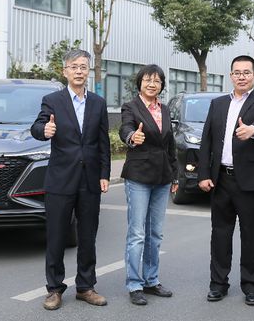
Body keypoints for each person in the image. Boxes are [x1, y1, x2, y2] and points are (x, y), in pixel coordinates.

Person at [30, 49, 111, 311]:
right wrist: (45, 129)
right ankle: (54, 289)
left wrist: (104, 174)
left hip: (90, 180)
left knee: (88, 236)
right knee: (56, 236)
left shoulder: (98, 103)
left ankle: (86, 287)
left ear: (89, 71)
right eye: (74, 66)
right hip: (61, 179)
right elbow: (36, 127)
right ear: (65, 71)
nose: (79, 71)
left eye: (83, 67)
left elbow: (103, 142)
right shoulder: (52, 101)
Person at [197, 55, 254, 306]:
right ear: (231, 76)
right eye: (237, 72)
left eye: (246, 72)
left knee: (252, 234)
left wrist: (252, 130)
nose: (241, 76)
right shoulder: (218, 104)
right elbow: (207, 140)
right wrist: (203, 174)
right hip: (221, 178)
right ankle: (218, 284)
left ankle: (252, 286)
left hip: (249, 180)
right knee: (220, 234)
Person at [118, 64, 179, 306]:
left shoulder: (164, 109)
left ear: (162, 85)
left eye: (157, 81)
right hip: (139, 176)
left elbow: (170, 144)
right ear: (140, 83)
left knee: (155, 233)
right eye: (147, 80)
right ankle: (135, 284)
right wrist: (132, 136)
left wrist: (175, 175)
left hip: (163, 177)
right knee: (137, 233)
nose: (152, 84)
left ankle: (151, 280)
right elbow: (125, 127)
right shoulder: (130, 107)